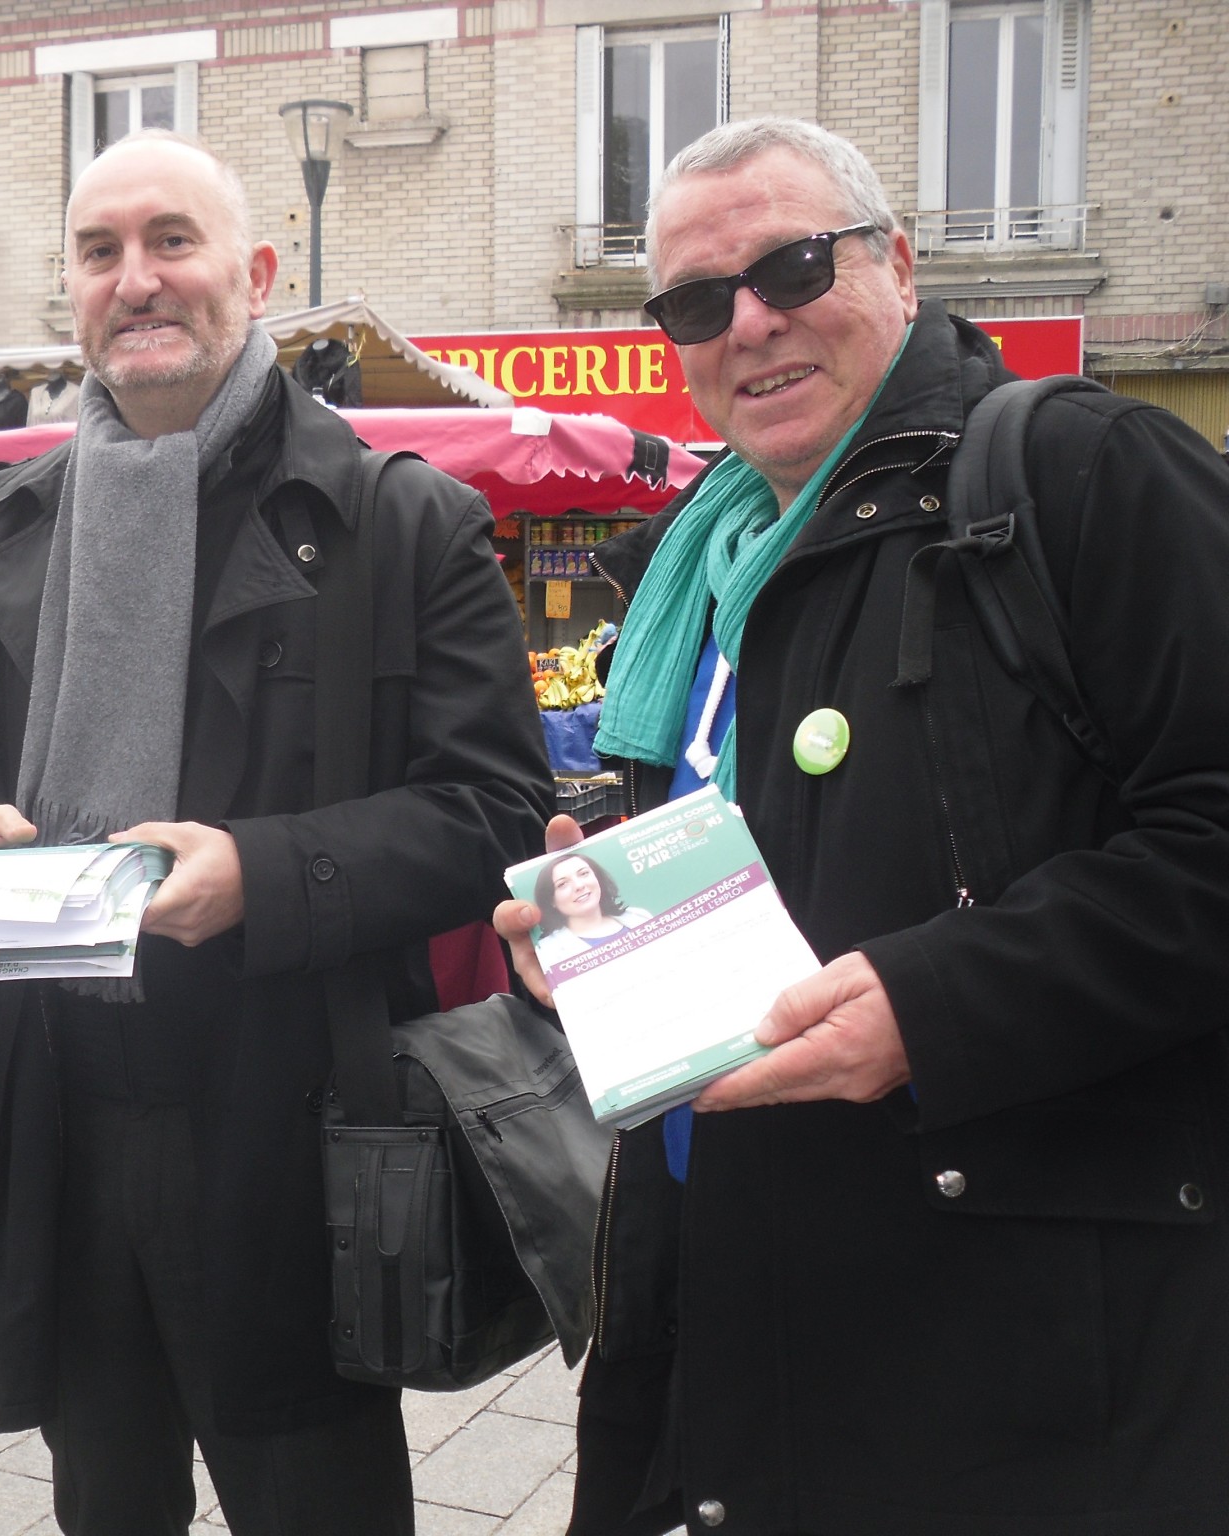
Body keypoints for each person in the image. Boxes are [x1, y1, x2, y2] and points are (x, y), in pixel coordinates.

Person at [494, 118, 1229, 1536]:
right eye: (700, 304)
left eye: (790, 266)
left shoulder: (1081, 476)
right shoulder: (694, 571)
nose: (750, 323)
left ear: (897, 261)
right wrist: (593, 920)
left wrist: (934, 1003)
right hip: (720, 1299)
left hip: (1013, 1369)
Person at [0, 130, 552, 1536]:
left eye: (172, 241)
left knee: (317, 1505)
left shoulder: (399, 520)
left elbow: (494, 811)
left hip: (287, 1127)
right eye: (99, 251)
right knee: (105, 1508)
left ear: (254, 276)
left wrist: (261, 874)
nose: (137, 279)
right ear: (70, 293)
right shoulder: (1, 531)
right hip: (55, 1120)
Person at [529, 849, 649, 965]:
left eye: (583, 873)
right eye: (562, 884)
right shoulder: (548, 951)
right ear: (551, 900)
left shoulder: (639, 917)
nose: (579, 886)